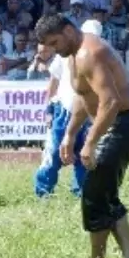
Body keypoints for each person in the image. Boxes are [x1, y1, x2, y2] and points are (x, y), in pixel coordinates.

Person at [35, 15, 129, 258]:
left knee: (93, 195)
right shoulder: (74, 55)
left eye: (55, 42)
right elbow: (83, 97)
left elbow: (110, 103)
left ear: (68, 31)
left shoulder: (90, 52)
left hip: (126, 124)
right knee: (102, 193)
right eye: (49, 46)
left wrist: (90, 143)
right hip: (118, 124)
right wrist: (70, 134)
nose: (54, 49)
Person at [33, 43, 88, 198]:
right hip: (63, 111)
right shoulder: (64, 54)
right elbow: (53, 81)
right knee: (53, 153)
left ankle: (81, 194)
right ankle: (43, 193)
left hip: (87, 114)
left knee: (85, 155)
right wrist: (49, 110)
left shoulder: (99, 55)